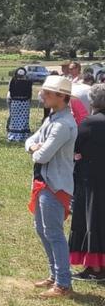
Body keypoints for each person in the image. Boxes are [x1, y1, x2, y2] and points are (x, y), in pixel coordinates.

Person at [25, 75, 76, 298]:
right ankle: (55, 276)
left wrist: (36, 148)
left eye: (47, 93)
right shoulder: (53, 118)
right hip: (44, 183)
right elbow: (30, 140)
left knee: (54, 233)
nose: (42, 96)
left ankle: (63, 283)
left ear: (61, 96)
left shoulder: (63, 124)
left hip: (55, 185)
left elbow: (43, 156)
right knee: (43, 230)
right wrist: (34, 147)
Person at [69, 84, 105, 281]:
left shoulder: (90, 123)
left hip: (92, 178)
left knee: (92, 221)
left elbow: (75, 146)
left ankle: (96, 269)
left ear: (92, 101)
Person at [8, 67, 34, 143]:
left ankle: (13, 135)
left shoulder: (13, 81)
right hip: (25, 102)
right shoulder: (28, 82)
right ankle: (23, 135)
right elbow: (29, 94)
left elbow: (11, 91)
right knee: (24, 119)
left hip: (15, 102)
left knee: (14, 119)